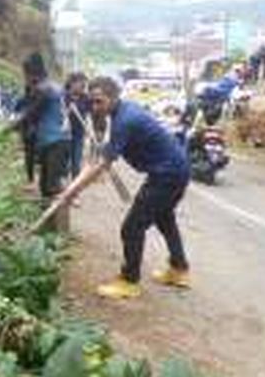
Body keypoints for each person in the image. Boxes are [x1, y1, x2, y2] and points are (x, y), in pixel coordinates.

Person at [54, 77, 191, 299]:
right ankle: (179, 269)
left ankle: (129, 281)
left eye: (99, 101)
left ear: (113, 97)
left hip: (167, 175)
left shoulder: (125, 121)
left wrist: (71, 192)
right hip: (174, 170)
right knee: (165, 219)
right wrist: (72, 188)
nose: (95, 107)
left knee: (132, 227)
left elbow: (100, 165)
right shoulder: (122, 112)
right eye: (93, 102)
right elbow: (97, 161)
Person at [10, 53, 71, 201]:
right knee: (46, 185)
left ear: (31, 74)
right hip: (58, 140)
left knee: (52, 188)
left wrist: (9, 126)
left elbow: (30, 113)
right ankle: (51, 220)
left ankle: (59, 221)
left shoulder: (42, 89)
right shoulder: (55, 86)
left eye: (26, 75)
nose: (25, 79)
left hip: (54, 141)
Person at [64, 72, 91, 179]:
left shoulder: (86, 98)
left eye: (84, 85)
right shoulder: (63, 96)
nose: (83, 87)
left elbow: (89, 116)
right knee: (65, 161)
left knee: (77, 160)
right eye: (81, 84)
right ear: (72, 83)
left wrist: (90, 130)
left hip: (79, 134)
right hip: (65, 134)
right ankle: (62, 182)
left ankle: (74, 186)